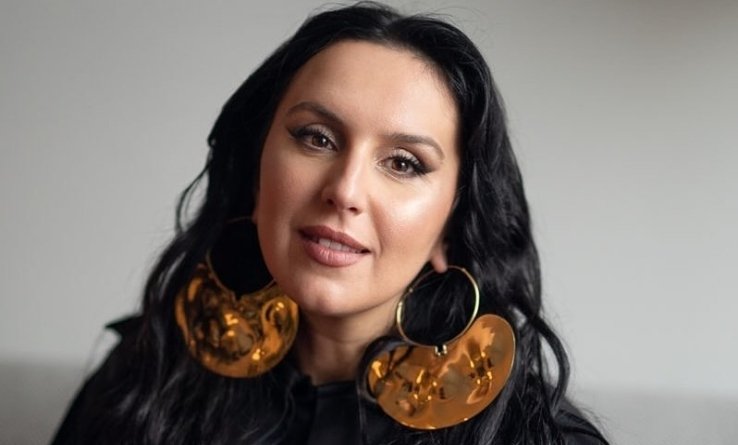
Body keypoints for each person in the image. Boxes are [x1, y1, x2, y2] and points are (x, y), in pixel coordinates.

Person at [51, 3, 608, 444]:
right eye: (316, 138)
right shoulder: (141, 379)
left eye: (403, 163)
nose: (344, 190)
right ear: (256, 173)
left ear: (451, 226)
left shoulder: (539, 437)